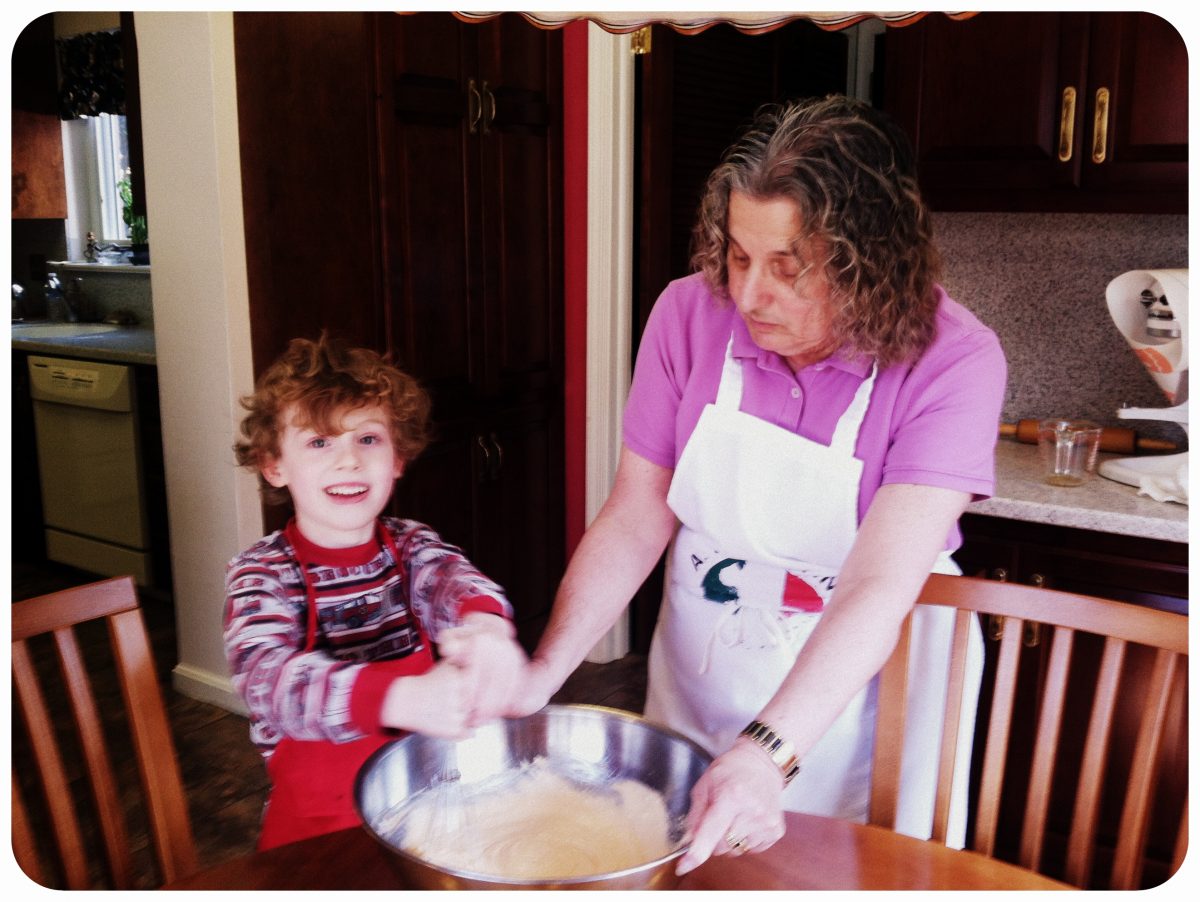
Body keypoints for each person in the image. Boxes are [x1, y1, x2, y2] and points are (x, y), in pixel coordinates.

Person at [504, 96, 1007, 874]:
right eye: (739, 255)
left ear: (869, 258)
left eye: (788, 268)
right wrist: (543, 674)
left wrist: (767, 752)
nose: (747, 295)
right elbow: (637, 515)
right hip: (706, 666)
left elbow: (877, 583)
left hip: (873, 694)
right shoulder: (685, 315)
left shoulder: (956, 360)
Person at [224, 334, 525, 850]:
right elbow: (266, 681)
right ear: (274, 465)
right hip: (317, 841)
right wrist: (396, 699)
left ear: (398, 458)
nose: (348, 461)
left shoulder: (410, 548)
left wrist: (486, 629)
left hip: (424, 816)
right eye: (320, 442)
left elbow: (455, 582)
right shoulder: (262, 575)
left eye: (367, 439)